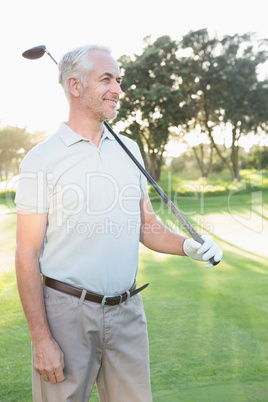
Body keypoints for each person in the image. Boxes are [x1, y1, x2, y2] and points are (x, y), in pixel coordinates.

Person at [15, 44, 222, 402]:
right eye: (107, 79)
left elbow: (146, 225)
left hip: (127, 313)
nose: (118, 89)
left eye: (119, 80)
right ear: (75, 87)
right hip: (67, 315)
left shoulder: (129, 149)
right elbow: (26, 253)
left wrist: (188, 246)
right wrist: (41, 339)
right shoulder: (42, 159)